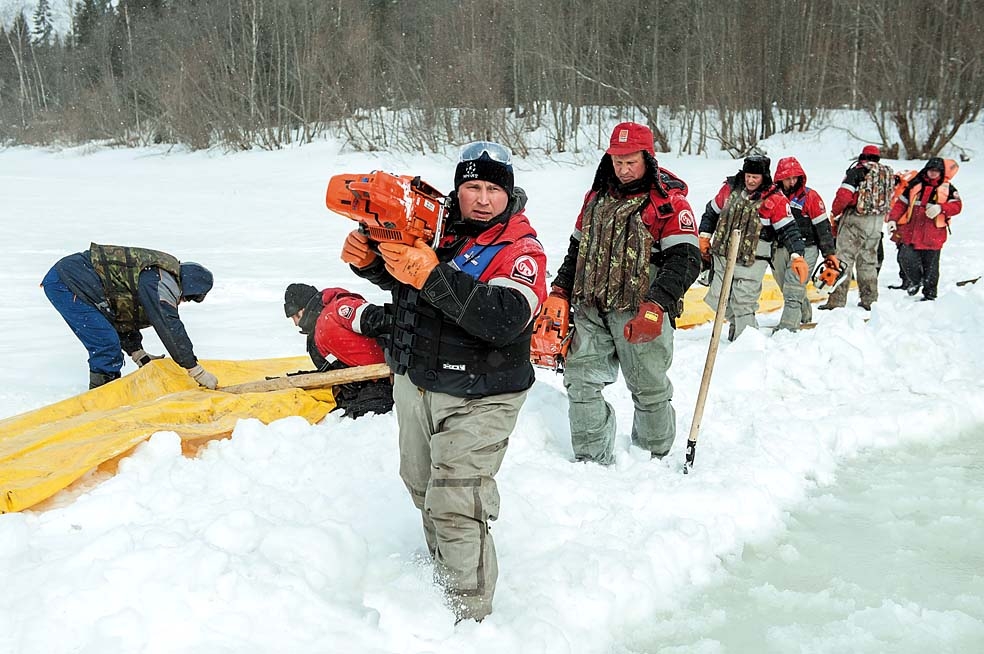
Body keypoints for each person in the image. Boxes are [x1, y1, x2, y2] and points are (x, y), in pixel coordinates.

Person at [340, 141, 547, 622]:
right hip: (420, 382)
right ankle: (445, 575)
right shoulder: (436, 229)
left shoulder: (519, 248)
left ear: (508, 193)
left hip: (483, 393)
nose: (481, 198)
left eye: (493, 188)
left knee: (457, 501)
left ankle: (470, 617)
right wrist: (370, 262)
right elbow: (407, 286)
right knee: (422, 486)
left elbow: (505, 318)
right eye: (472, 186)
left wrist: (433, 276)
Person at [549, 122, 700, 465]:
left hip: (640, 309)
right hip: (590, 306)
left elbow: (686, 260)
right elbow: (576, 249)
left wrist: (657, 305)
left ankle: (652, 456)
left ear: (648, 158)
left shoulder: (669, 204)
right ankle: (590, 458)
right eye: (617, 161)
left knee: (648, 388)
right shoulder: (594, 198)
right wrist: (559, 290)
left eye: (631, 161)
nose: (623, 169)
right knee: (581, 381)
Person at [41, 242, 216, 389]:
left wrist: (137, 352)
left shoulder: (155, 275)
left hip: (73, 279)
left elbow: (122, 313)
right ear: (188, 288)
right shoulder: (160, 284)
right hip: (67, 282)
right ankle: (101, 405)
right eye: (186, 298)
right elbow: (169, 327)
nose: (181, 302)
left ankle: (106, 397)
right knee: (106, 345)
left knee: (107, 340)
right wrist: (195, 370)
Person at [699, 155, 808, 340]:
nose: (750, 180)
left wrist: (797, 255)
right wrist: (704, 236)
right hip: (723, 253)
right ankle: (742, 326)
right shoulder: (729, 189)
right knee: (716, 297)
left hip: (753, 259)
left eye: (755, 177)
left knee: (743, 302)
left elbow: (790, 230)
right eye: (748, 175)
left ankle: (745, 343)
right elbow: (711, 212)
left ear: (764, 177)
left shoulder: (775, 200)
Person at [283, 283, 394, 418]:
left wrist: (396, 359)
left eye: (295, 316)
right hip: (358, 388)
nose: (295, 323)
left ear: (304, 308)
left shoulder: (338, 309)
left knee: (364, 419)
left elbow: (381, 319)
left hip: (385, 382)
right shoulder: (317, 332)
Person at [772, 156, 838, 330]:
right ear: (780, 178)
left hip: (806, 247)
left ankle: (787, 327)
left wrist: (829, 254)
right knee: (785, 285)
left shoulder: (811, 196)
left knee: (793, 286)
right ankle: (804, 315)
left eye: (795, 177)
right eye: (788, 178)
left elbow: (823, 228)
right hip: (780, 247)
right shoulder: (772, 196)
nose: (792, 181)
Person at [820, 145, 887, 311]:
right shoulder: (884, 174)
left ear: (862, 156)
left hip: (856, 220)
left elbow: (843, 196)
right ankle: (870, 299)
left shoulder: (857, 172)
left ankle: (836, 300)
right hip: (876, 222)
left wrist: (835, 213)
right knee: (868, 261)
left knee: (843, 259)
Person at [886, 157, 963, 301]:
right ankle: (915, 281)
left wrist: (941, 208)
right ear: (926, 170)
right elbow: (901, 204)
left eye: (936, 171)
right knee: (905, 258)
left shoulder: (948, 189)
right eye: (931, 171)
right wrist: (892, 219)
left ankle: (930, 295)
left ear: (941, 173)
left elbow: (957, 206)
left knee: (931, 268)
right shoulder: (914, 185)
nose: (933, 174)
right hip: (911, 233)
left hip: (933, 235)